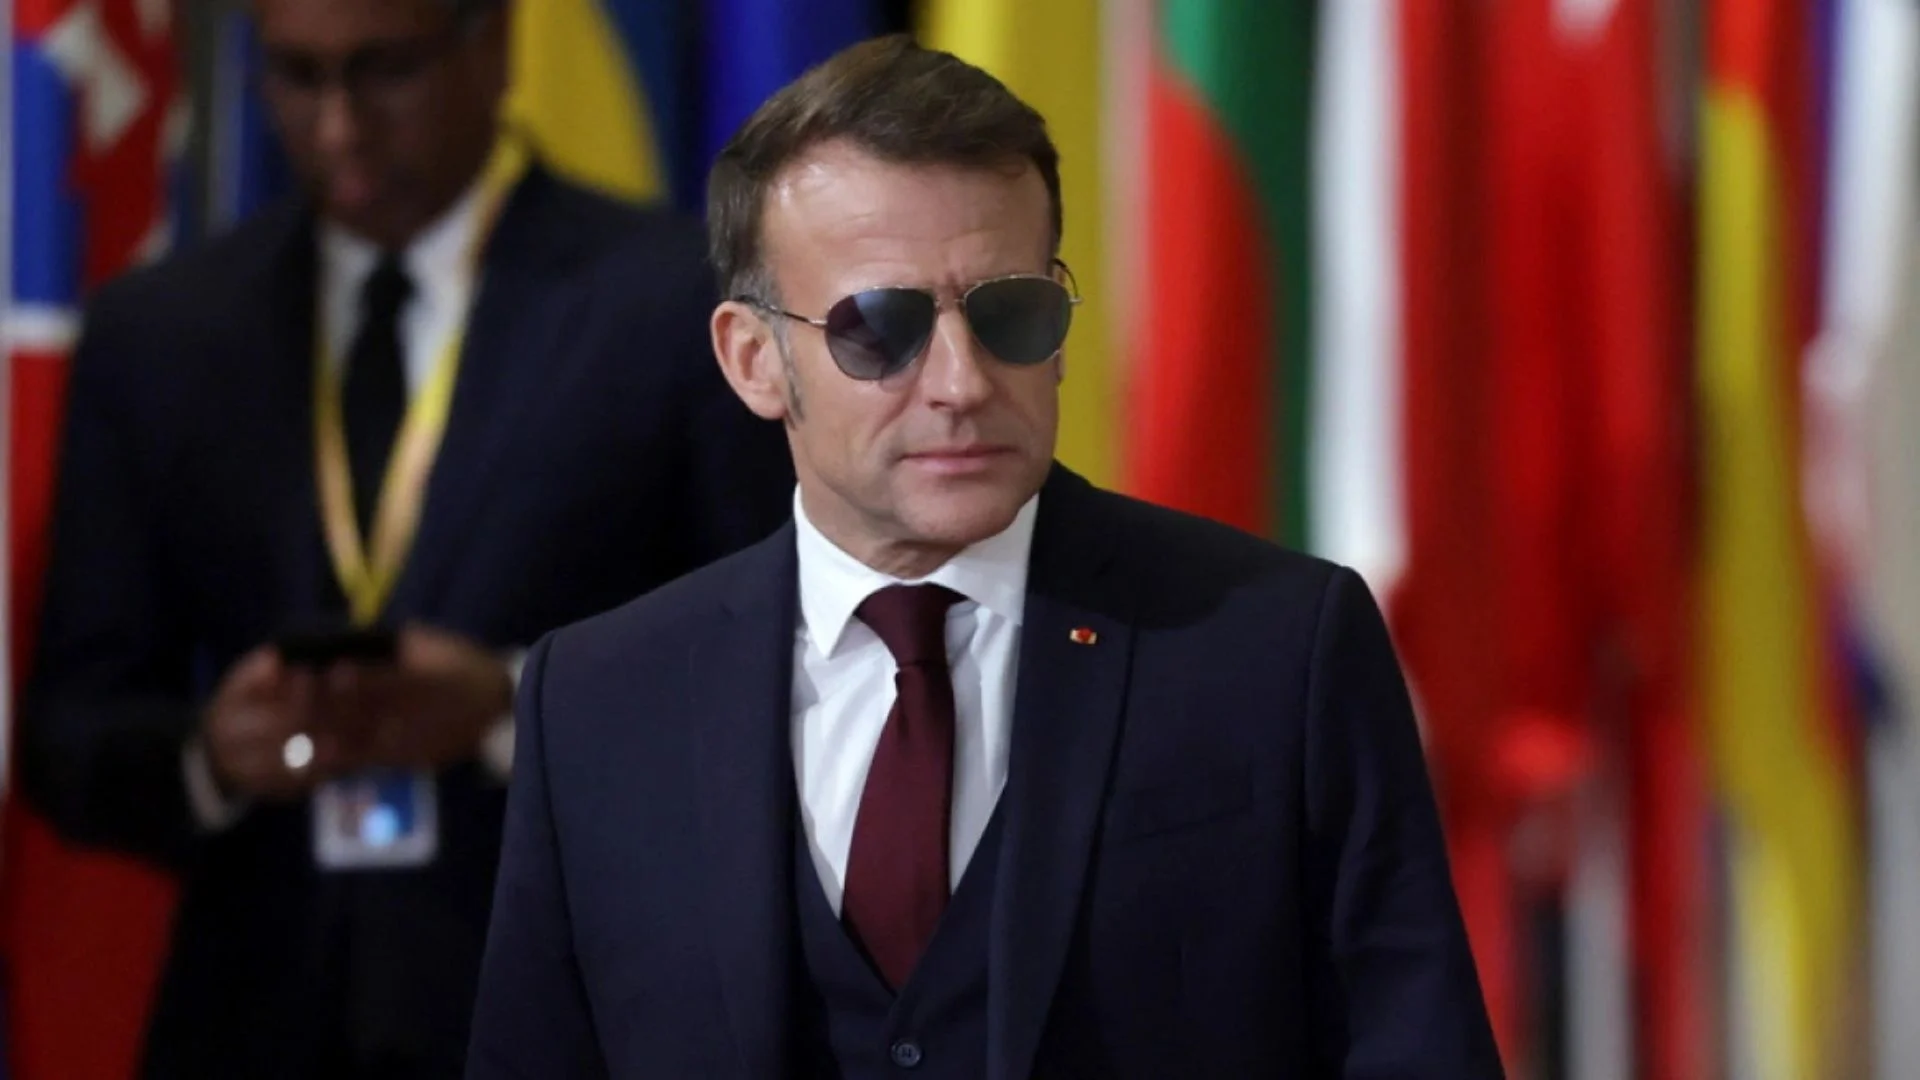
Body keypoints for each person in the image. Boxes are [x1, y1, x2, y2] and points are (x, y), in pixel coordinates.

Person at [468, 33, 1502, 1080]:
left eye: (1011, 312)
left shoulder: (1277, 648)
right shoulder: (599, 699)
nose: (962, 382)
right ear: (753, 360)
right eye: (882, 327)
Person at [18, 0, 792, 1076]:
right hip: (251, 1018)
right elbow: (68, 732)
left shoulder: (678, 307)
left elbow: (766, 676)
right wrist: (212, 756)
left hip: (569, 1013)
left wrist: (509, 710)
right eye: (298, 77)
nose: (339, 125)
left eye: (383, 71)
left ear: (494, 47)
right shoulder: (159, 332)